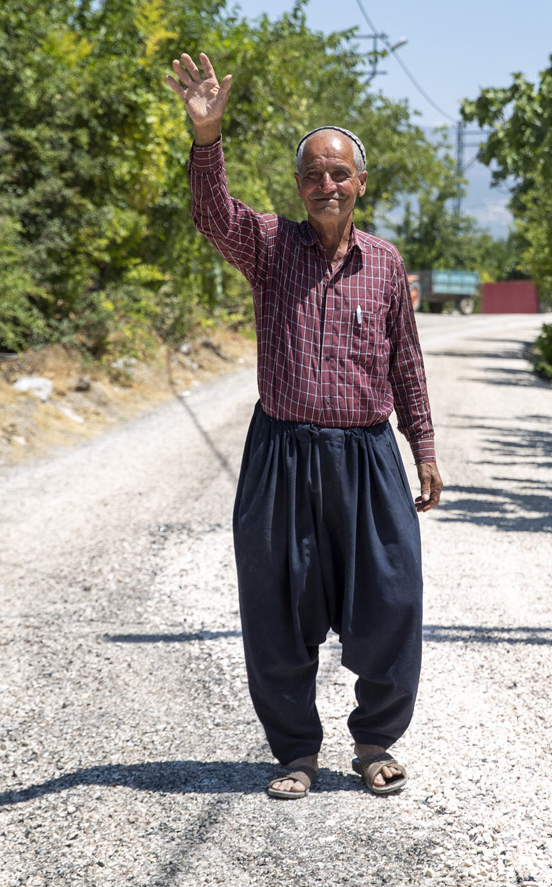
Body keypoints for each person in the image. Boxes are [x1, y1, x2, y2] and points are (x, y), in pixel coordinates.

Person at [165, 52, 442, 799]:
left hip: (366, 455)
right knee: (276, 603)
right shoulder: (269, 246)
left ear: (360, 183)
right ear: (300, 186)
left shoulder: (385, 265)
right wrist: (206, 132)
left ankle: (376, 740)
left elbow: (407, 365)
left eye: (339, 173)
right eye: (313, 174)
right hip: (282, 453)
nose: (326, 184)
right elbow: (211, 213)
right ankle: (295, 752)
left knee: (393, 596)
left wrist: (424, 451)